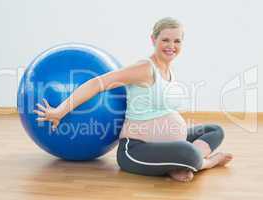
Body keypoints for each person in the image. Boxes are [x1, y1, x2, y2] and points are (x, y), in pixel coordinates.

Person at [34, 17, 233, 182]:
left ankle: (175, 164)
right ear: (153, 40)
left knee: (215, 131)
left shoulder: (170, 71)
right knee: (187, 152)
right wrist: (60, 110)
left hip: (169, 143)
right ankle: (206, 162)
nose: (171, 46)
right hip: (136, 150)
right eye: (165, 40)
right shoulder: (145, 68)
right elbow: (97, 83)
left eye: (177, 41)